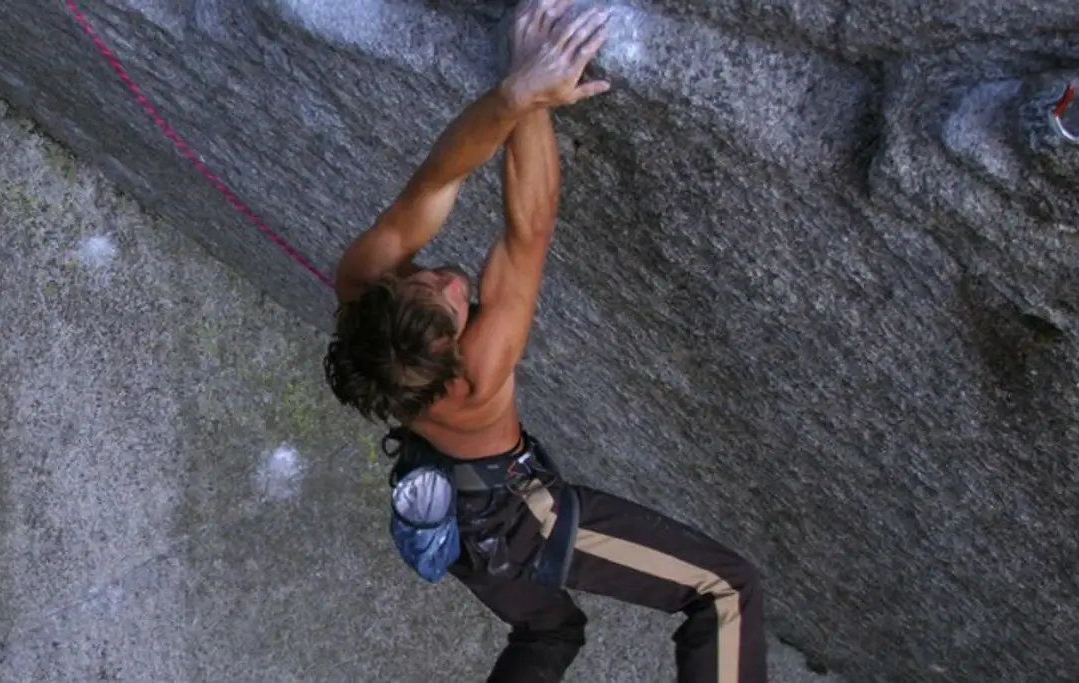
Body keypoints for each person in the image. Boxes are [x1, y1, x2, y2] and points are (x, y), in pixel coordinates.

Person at [321, 1, 768, 681]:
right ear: (451, 353)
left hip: (452, 515)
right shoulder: (479, 366)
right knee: (725, 589)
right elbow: (530, 222)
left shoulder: (361, 282)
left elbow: (440, 175)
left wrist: (514, 89)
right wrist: (532, 92)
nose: (450, 281)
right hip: (515, 520)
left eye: (430, 281)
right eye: (453, 307)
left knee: (549, 628)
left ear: (382, 293)